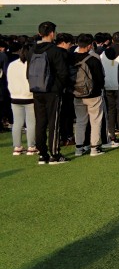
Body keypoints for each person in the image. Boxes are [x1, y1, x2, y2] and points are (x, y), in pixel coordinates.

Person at [28, 21, 71, 164]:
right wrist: (61, 87)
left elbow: (28, 72)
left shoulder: (32, 50)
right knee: (54, 122)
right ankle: (55, 154)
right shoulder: (55, 51)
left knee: (40, 122)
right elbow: (63, 73)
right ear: (52, 33)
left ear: (39, 33)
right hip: (53, 91)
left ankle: (42, 153)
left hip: (36, 89)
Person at [71, 34, 107, 157]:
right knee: (95, 121)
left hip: (77, 93)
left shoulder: (71, 58)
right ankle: (94, 147)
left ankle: (79, 147)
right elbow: (100, 78)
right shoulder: (94, 59)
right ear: (90, 45)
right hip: (93, 94)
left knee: (80, 121)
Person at [8, 42, 36, 156]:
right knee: (31, 123)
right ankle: (31, 146)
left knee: (17, 122)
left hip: (15, 96)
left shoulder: (12, 65)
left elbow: (9, 79)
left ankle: (17, 146)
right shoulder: (32, 65)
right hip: (29, 96)